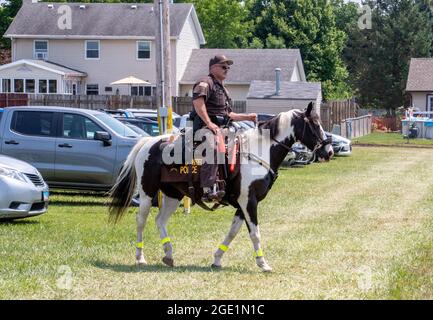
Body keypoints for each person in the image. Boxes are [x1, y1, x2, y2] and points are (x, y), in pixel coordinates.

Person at [190, 54, 257, 202]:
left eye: (228, 67)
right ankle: (208, 189)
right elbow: (198, 104)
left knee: (243, 145)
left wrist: (248, 117)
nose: (227, 69)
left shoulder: (224, 90)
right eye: (223, 66)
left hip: (223, 129)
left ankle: (234, 185)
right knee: (213, 146)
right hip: (204, 129)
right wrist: (209, 123)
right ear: (213, 68)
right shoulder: (205, 83)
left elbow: (229, 114)